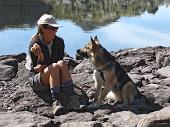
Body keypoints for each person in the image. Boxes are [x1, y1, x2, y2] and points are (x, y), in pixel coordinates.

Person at [25, 14, 75, 115]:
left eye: (56, 28)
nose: (55, 30)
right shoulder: (35, 45)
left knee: (61, 63)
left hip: (53, 74)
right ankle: (56, 101)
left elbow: (59, 61)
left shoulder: (59, 41)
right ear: (43, 28)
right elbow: (36, 69)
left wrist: (46, 64)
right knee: (55, 66)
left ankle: (73, 99)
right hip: (38, 79)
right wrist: (41, 58)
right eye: (52, 28)